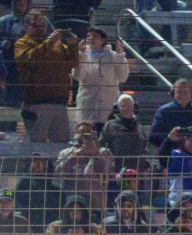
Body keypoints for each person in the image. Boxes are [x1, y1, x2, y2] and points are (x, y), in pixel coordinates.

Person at [14, 9, 79, 143]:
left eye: (42, 26)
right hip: (36, 103)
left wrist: (73, 46)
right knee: (37, 146)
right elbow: (29, 60)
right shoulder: (21, 43)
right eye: (35, 26)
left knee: (60, 145)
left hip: (59, 101)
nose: (39, 29)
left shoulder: (57, 43)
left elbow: (72, 63)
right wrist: (48, 43)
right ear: (26, 26)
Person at [73, 27, 128, 126]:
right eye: (88, 36)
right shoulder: (83, 56)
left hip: (108, 107)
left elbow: (123, 77)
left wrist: (120, 57)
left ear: (103, 40)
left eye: (95, 36)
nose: (91, 39)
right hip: (87, 106)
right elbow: (78, 77)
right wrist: (80, 56)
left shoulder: (114, 56)